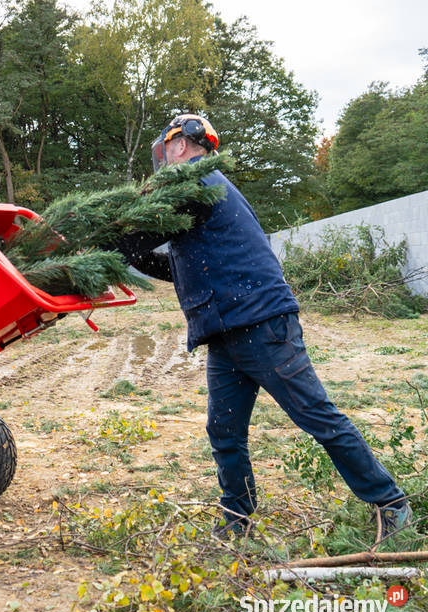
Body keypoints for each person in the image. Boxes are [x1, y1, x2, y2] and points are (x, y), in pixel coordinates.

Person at [114, 114, 412, 538]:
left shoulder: (198, 186)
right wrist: (130, 256)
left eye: (165, 149)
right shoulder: (199, 195)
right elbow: (175, 264)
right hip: (228, 332)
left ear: (181, 146)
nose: (162, 159)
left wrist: (102, 238)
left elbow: (136, 238)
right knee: (224, 430)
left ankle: (391, 503)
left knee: (316, 416)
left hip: (261, 327)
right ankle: (237, 519)